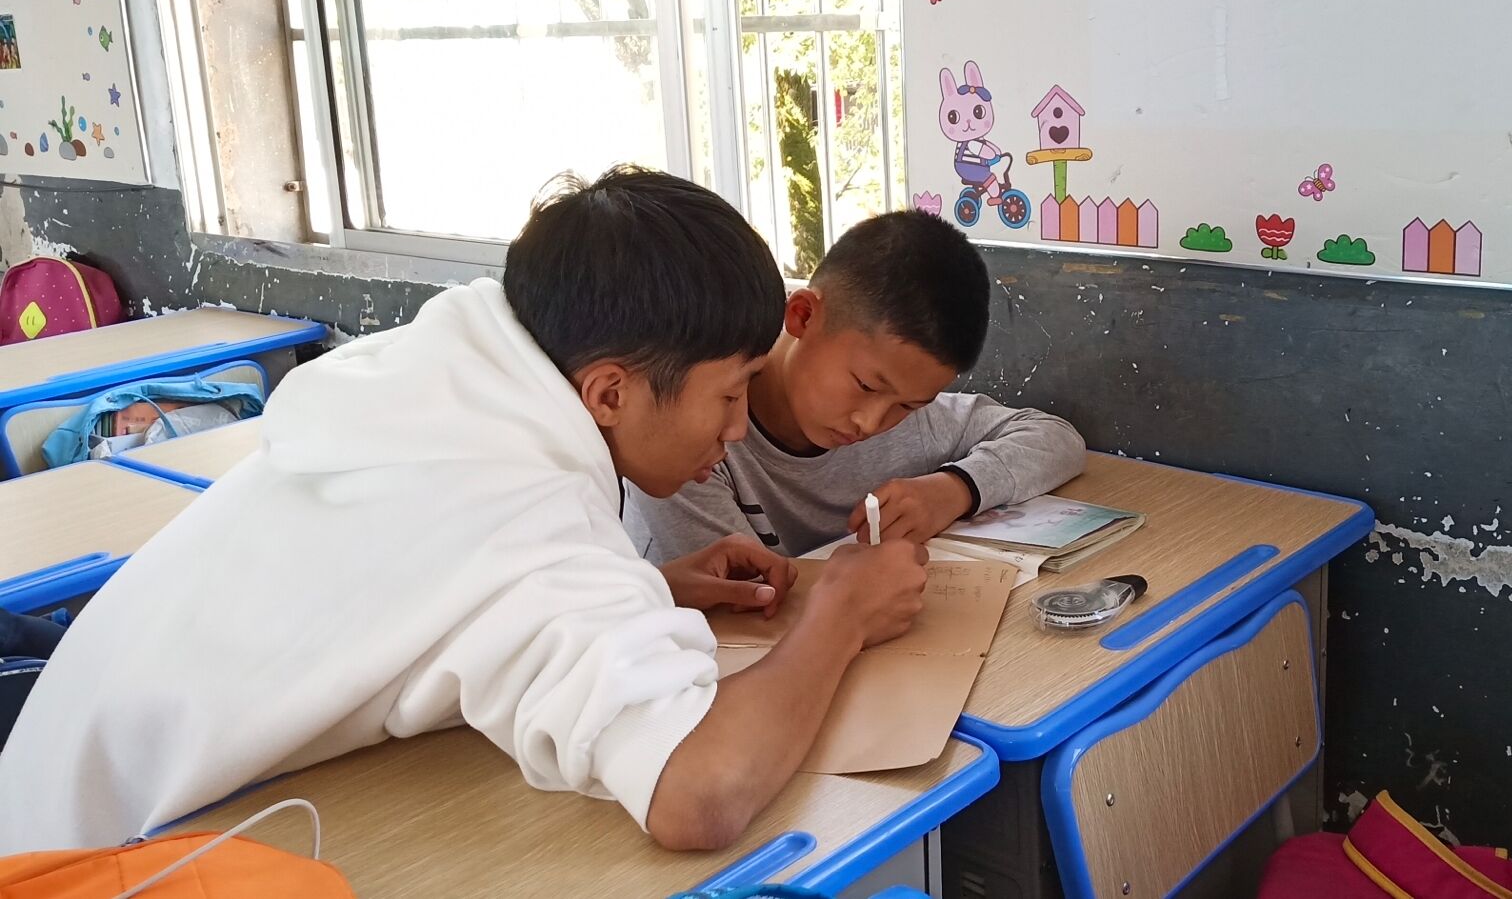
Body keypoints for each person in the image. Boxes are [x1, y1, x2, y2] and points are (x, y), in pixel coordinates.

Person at [0, 167, 928, 853]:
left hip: (50, 785)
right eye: (728, 394)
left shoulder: (456, 367)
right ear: (609, 392)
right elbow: (699, 793)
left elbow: (434, 586)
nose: (734, 428)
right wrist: (839, 614)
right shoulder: (522, 515)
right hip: (87, 863)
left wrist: (644, 585)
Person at [626, 209, 1086, 562]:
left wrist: (955, 489)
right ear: (803, 315)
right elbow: (743, 600)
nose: (871, 423)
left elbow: (1056, 438)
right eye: (865, 385)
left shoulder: (911, 420)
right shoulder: (696, 437)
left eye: (908, 405)